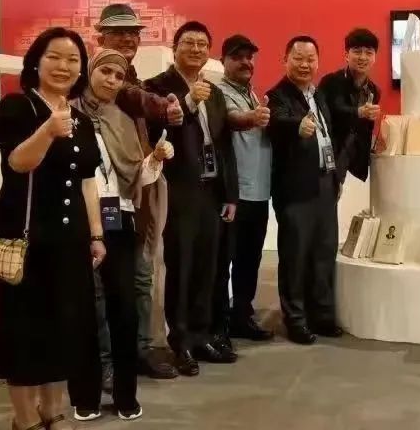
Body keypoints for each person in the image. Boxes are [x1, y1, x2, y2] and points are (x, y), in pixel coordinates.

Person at [0, 27, 105, 430]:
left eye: (73, 60)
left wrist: (96, 234)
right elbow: (18, 163)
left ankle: (52, 410)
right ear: (36, 62)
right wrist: (48, 130)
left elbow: (87, 181)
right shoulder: (16, 108)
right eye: (54, 57)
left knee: (64, 327)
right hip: (26, 238)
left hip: (70, 240)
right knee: (26, 329)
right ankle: (24, 419)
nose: (63, 66)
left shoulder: (82, 120)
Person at [67, 49, 174, 422]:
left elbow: (136, 176)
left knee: (123, 308)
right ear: (91, 72)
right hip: (77, 221)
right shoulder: (68, 115)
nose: (111, 80)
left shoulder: (123, 119)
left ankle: (126, 394)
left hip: (119, 218)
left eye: (118, 75)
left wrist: (155, 159)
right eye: (105, 72)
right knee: (85, 308)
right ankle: (86, 395)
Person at [143, 21, 239, 375]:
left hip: (210, 191)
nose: (196, 49)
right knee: (181, 267)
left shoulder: (214, 93)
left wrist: (231, 195)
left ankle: (201, 335)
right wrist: (186, 102)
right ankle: (180, 341)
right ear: (175, 48)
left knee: (207, 267)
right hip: (178, 189)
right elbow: (154, 131)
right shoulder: (155, 87)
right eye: (189, 43)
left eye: (202, 44)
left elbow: (223, 145)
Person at [94, 3, 182, 382]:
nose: (129, 38)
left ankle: (139, 351)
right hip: (104, 198)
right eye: (119, 32)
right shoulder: (101, 87)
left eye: (134, 32)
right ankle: (108, 362)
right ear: (100, 37)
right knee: (105, 284)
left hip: (138, 190)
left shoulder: (131, 77)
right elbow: (136, 98)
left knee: (141, 275)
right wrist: (168, 106)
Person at [266, 35, 342, 346]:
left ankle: (321, 315)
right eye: (298, 58)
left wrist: (336, 178)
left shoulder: (318, 94)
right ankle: (295, 320)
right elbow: (277, 122)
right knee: (295, 257)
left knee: (323, 253)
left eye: (310, 59)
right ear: (285, 60)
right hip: (295, 190)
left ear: (318, 62)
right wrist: (297, 126)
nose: (304, 65)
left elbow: (329, 135)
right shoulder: (277, 95)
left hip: (325, 184)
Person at [214, 34, 275, 342]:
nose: (245, 62)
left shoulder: (251, 93)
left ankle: (242, 315)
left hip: (259, 192)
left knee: (250, 260)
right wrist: (251, 117)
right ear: (223, 60)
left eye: (249, 57)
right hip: (235, 195)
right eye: (237, 57)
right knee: (224, 261)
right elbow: (232, 119)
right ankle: (219, 322)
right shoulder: (218, 93)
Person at [318, 28, 382, 193]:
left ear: (375, 57)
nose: (363, 57)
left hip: (354, 159)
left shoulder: (374, 90)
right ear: (346, 55)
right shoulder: (330, 81)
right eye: (357, 51)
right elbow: (331, 111)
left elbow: (366, 128)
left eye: (369, 52)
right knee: (327, 201)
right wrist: (359, 112)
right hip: (328, 154)